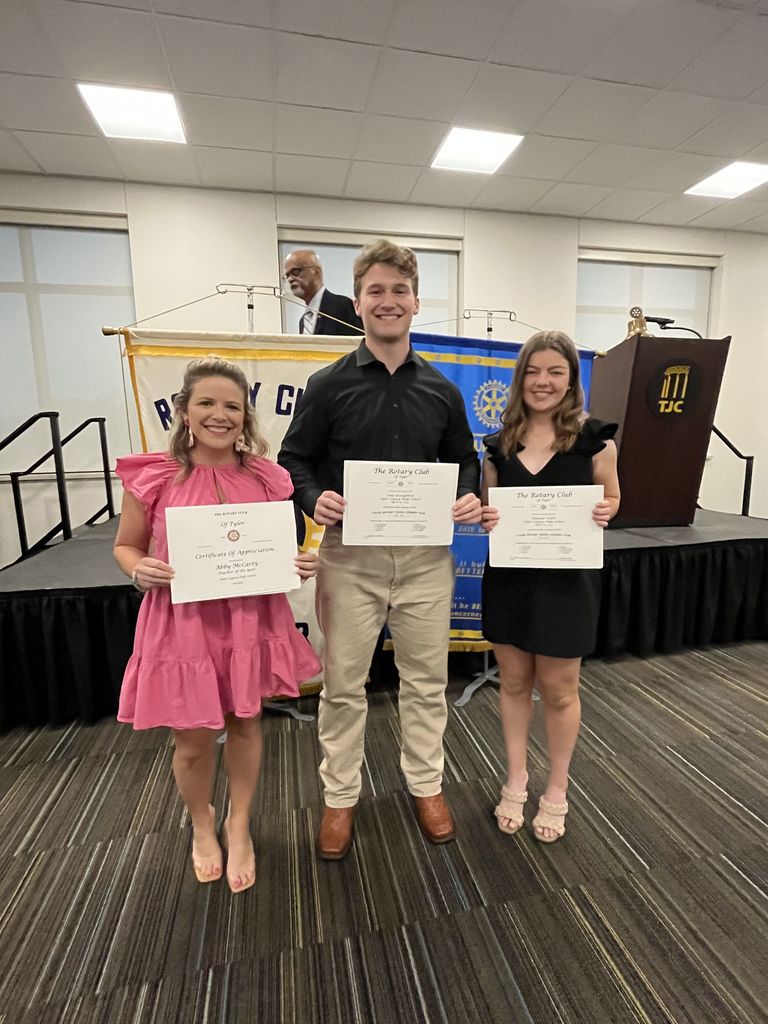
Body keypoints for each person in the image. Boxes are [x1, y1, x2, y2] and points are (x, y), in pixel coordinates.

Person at [278, 239, 481, 859]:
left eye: (399, 291)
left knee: (426, 681)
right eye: (375, 291)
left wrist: (468, 497)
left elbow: (464, 463)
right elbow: (294, 459)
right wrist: (316, 499)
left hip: (424, 563)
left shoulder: (443, 391)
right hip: (351, 560)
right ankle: (340, 798)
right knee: (343, 685)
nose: (387, 301)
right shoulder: (327, 384)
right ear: (358, 303)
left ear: (416, 302)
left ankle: (426, 786)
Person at [113, 357, 321, 893]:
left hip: (249, 620)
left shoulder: (268, 477)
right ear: (184, 411)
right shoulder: (154, 476)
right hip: (183, 624)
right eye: (206, 403)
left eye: (232, 405)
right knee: (192, 740)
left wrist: (299, 560)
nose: (219, 415)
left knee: (248, 723)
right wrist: (140, 569)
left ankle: (240, 822)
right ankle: (202, 821)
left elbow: (284, 546)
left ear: (245, 416)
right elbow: (125, 546)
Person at [480, 331, 620, 843]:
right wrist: (485, 515)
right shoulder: (497, 445)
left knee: (560, 690)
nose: (543, 382)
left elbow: (613, 501)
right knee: (514, 683)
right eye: (533, 372)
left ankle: (557, 787)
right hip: (511, 581)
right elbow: (487, 508)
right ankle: (516, 778)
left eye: (555, 372)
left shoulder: (596, 439)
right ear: (520, 379)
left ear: (571, 380)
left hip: (567, 583)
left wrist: (607, 510)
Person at [283, 249, 363, 336]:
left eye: (295, 272)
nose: (290, 279)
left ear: (316, 271)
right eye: (287, 275)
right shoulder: (303, 321)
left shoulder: (342, 305)